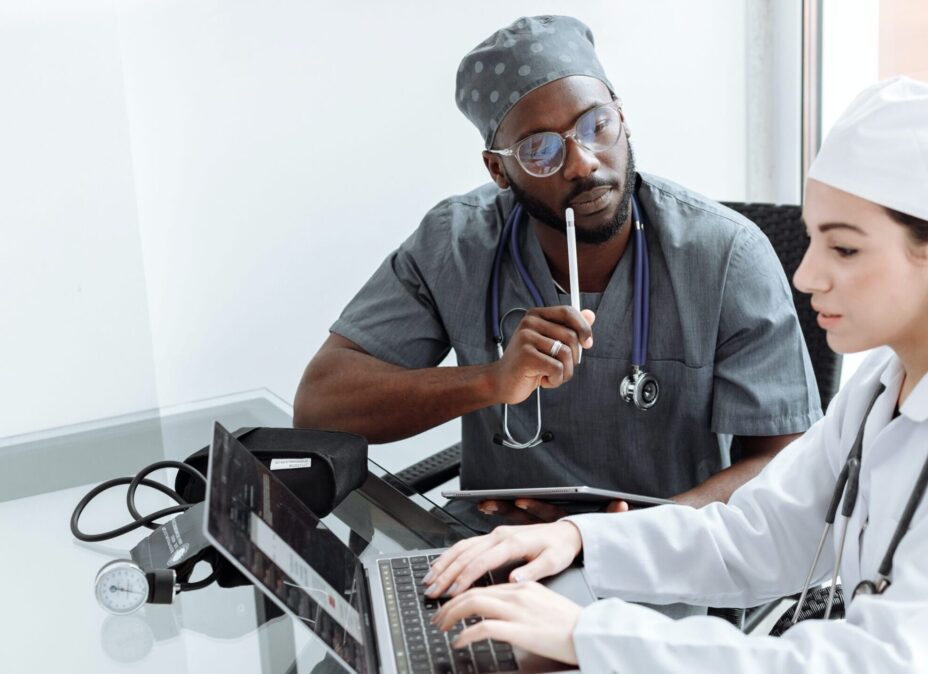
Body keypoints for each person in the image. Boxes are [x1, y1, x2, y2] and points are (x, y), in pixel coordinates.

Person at [416, 77, 928, 672]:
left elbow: (881, 660)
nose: (806, 275)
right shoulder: (881, 390)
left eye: (844, 250)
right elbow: (758, 535)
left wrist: (591, 636)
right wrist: (578, 542)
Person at [293, 14, 822, 523]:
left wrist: (633, 535)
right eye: (540, 149)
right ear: (498, 169)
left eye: (597, 125)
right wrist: (491, 381)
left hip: (666, 564)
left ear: (623, 116)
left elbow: (788, 465)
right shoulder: (456, 245)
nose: (582, 163)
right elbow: (321, 406)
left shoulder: (725, 255)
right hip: (497, 551)